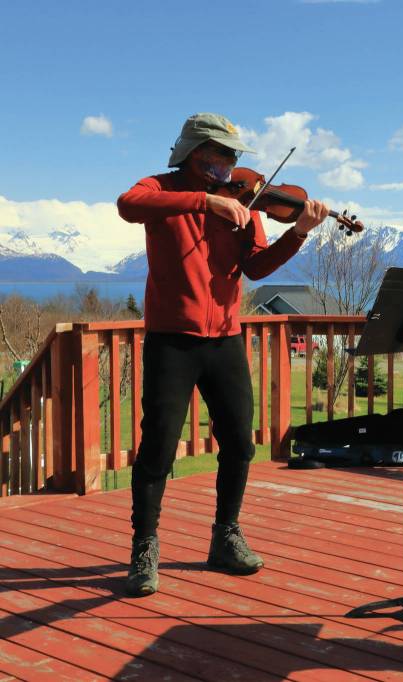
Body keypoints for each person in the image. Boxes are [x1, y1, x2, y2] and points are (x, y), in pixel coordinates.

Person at [117, 113, 329, 597]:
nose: (233, 164)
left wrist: (297, 234)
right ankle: (144, 547)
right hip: (172, 339)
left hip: (226, 338)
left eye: (235, 156)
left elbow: (255, 268)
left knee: (240, 442)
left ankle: (225, 536)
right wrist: (203, 201)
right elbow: (128, 205)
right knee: (159, 447)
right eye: (224, 154)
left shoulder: (246, 201)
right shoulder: (162, 188)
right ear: (197, 153)